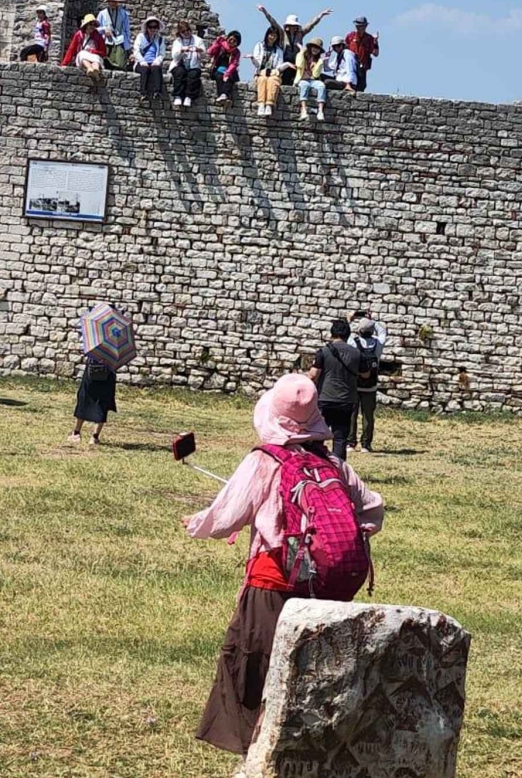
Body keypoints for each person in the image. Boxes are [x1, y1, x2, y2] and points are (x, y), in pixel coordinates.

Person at [185, 372, 385, 756]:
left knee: (251, 665)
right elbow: (373, 511)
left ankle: (255, 748)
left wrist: (197, 523)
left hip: (274, 582)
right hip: (326, 591)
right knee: (312, 672)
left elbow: (225, 517)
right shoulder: (335, 466)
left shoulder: (265, 461)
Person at [308, 319, 365, 461]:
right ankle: (339, 469)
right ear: (348, 335)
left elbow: (313, 375)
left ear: (332, 333)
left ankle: (316, 465)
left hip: (325, 399)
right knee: (340, 437)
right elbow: (366, 374)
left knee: (318, 434)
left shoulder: (323, 351)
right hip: (346, 400)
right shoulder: (356, 354)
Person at [257, 5, 330, 85]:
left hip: (298, 62)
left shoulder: (300, 34)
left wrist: (320, 15)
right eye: (290, 25)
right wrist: (265, 12)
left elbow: (311, 25)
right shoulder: (282, 34)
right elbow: (273, 23)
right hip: (285, 62)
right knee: (286, 78)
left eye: (294, 26)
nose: (292, 27)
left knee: (297, 78)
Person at [347, 313, 383, 453]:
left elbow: (347, 332)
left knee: (352, 415)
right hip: (371, 386)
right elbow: (382, 331)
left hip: (355, 385)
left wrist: (350, 319)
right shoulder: (378, 344)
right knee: (368, 416)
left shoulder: (353, 343)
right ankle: (366, 444)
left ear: (359, 330)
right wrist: (372, 320)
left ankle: (350, 443)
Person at [70, 356, 117, 446]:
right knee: (102, 404)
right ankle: (94, 437)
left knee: (84, 400)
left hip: (92, 371)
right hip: (108, 374)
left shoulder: (95, 345)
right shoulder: (114, 348)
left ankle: (76, 433)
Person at [248, 24, 289, 117]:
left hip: (273, 73)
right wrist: (252, 58)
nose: (272, 37)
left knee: (273, 80)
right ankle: (261, 104)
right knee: (262, 80)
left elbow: (278, 66)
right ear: (267, 35)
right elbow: (257, 64)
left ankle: (269, 105)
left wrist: (286, 65)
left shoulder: (279, 50)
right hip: (261, 73)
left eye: (274, 36)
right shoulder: (259, 46)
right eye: (271, 35)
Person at [60, 13, 107, 86]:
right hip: (83, 58)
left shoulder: (98, 36)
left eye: (93, 24)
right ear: (86, 25)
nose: (92, 26)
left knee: (96, 59)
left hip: (95, 57)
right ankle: (89, 68)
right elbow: (71, 49)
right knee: (82, 54)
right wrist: (64, 63)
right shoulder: (79, 35)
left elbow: (103, 52)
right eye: (90, 24)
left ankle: (95, 70)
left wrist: (93, 51)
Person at [170, 19, 206, 108]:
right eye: (183, 31)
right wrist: (181, 50)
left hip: (194, 65)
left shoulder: (198, 40)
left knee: (193, 75)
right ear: (180, 33)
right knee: (179, 73)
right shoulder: (177, 42)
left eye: (188, 30)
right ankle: (177, 96)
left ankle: (188, 97)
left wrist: (200, 51)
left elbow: (204, 55)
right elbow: (175, 56)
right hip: (179, 64)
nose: (186, 33)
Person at [132, 16, 167, 106]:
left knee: (156, 69)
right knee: (145, 70)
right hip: (141, 62)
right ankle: (143, 93)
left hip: (153, 62)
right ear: (147, 27)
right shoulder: (140, 37)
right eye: (151, 27)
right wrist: (142, 61)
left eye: (155, 27)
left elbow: (162, 53)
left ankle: (157, 92)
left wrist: (157, 61)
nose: (153, 29)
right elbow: (136, 51)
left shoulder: (160, 39)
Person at [294, 37, 328, 121]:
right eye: (314, 47)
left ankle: (320, 111)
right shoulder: (302, 55)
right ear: (310, 47)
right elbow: (299, 64)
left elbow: (316, 75)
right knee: (304, 86)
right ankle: (303, 110)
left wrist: (320, 63)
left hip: (312, 80)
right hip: (302, 79)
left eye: (318, 48)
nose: (315, 50)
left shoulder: (318, 60)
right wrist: (302, 51)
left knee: (321, 86)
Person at [97, 0, 132, 70]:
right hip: (106, 42)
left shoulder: (124, 14)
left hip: (120, 42)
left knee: (120, 65)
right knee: (106, 65)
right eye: (111, 1)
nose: (113, 3)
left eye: (115, 1)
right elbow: (96, 29)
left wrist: (129, 48)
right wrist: (104, 29)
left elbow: (127, 31)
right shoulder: (102, 14)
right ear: (108, 2)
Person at [207, 30, 242, 107]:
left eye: (234, 41)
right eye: (231, 39)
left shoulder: (236, 52)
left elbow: (234, 63)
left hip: (230, 71)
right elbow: (210, 52)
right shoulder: (221, 45)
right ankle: (223, 96)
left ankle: (224, 95)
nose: (232, 42)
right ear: (228, 38)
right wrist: (217, 43)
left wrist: (227, 73)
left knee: (230, 78)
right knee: (219, 77)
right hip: (218, 69)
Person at [345, 17, 379, 91]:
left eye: (363, 26)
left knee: (361, 85)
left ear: (366, 26)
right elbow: (345, 50)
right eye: (359, 25)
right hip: (350, 66)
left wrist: (375, 42)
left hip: (362, 67)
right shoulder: (350, 36)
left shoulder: (369, 38)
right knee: (350, 84)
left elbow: (375, 53)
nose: (360, 28)